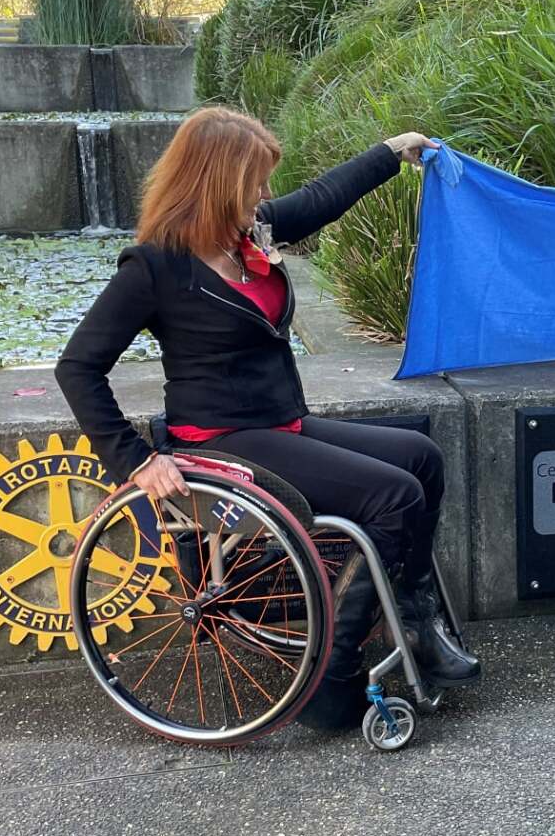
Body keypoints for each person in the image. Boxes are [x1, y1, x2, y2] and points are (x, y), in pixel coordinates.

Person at [56, 107, 482, 732]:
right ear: (215, 182)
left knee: (422, 457)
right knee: (395, 495)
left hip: (279, 424)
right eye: (252, 181)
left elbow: (321, 199)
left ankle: (416, 623)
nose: (262, 195)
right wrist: (138, 461)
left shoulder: (248, 233)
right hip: (223, 440)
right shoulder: (155, 267)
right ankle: (330, 674)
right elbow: (78, 368)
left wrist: (392, 152)